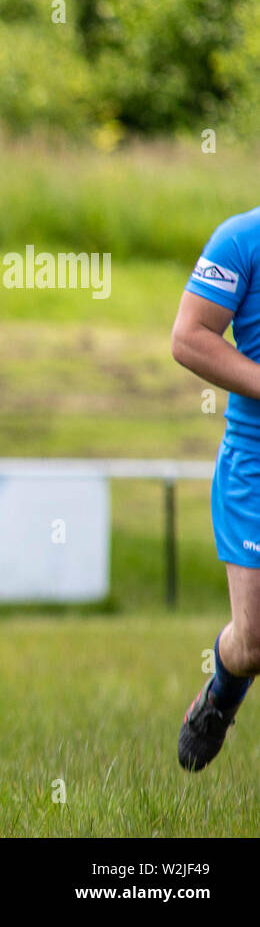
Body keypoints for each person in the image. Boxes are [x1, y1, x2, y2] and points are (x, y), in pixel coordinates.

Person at [172, 206, 260, 770]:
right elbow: (189, 337)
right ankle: (222, 692)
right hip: (255, 465)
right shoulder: (240, 238)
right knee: (256, 642)